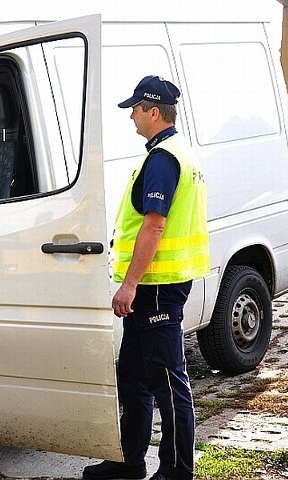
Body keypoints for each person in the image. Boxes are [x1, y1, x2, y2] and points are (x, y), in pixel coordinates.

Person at [83, 76, 210, 480]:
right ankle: (128, 461)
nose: (132, 117)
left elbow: (154, 226)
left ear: (154, 111)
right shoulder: (174, 151)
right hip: (154, 288)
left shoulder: (163, 159)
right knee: (133, 377)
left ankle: (176, 471)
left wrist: (130, 284)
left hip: (155, 288)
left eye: (136, 109)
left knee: (168, 383)